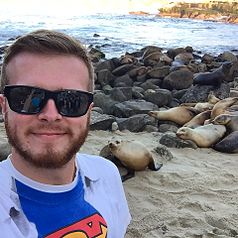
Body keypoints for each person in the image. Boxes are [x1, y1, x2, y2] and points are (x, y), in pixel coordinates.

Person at [0, 29, 131, 238]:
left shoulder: (106, 175)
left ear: (89, 110)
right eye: (28, 97)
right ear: (4, 106)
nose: (50, 115)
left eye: (71, 101)